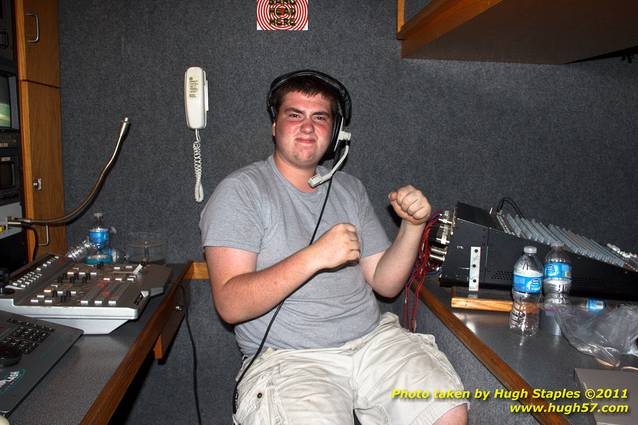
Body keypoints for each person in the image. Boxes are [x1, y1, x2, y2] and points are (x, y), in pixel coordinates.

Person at [200, 70, 468, 424]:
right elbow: (231, 304)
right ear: (274, 126)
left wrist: (412, 226)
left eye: (320, 117)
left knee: (447, 411)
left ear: (336, 132)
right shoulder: (240, 192)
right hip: (290, 359)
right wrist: (315, 257)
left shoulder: (349, 189)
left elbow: (386, 284)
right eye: (295, 114)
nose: (307, 127)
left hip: (373, 343)